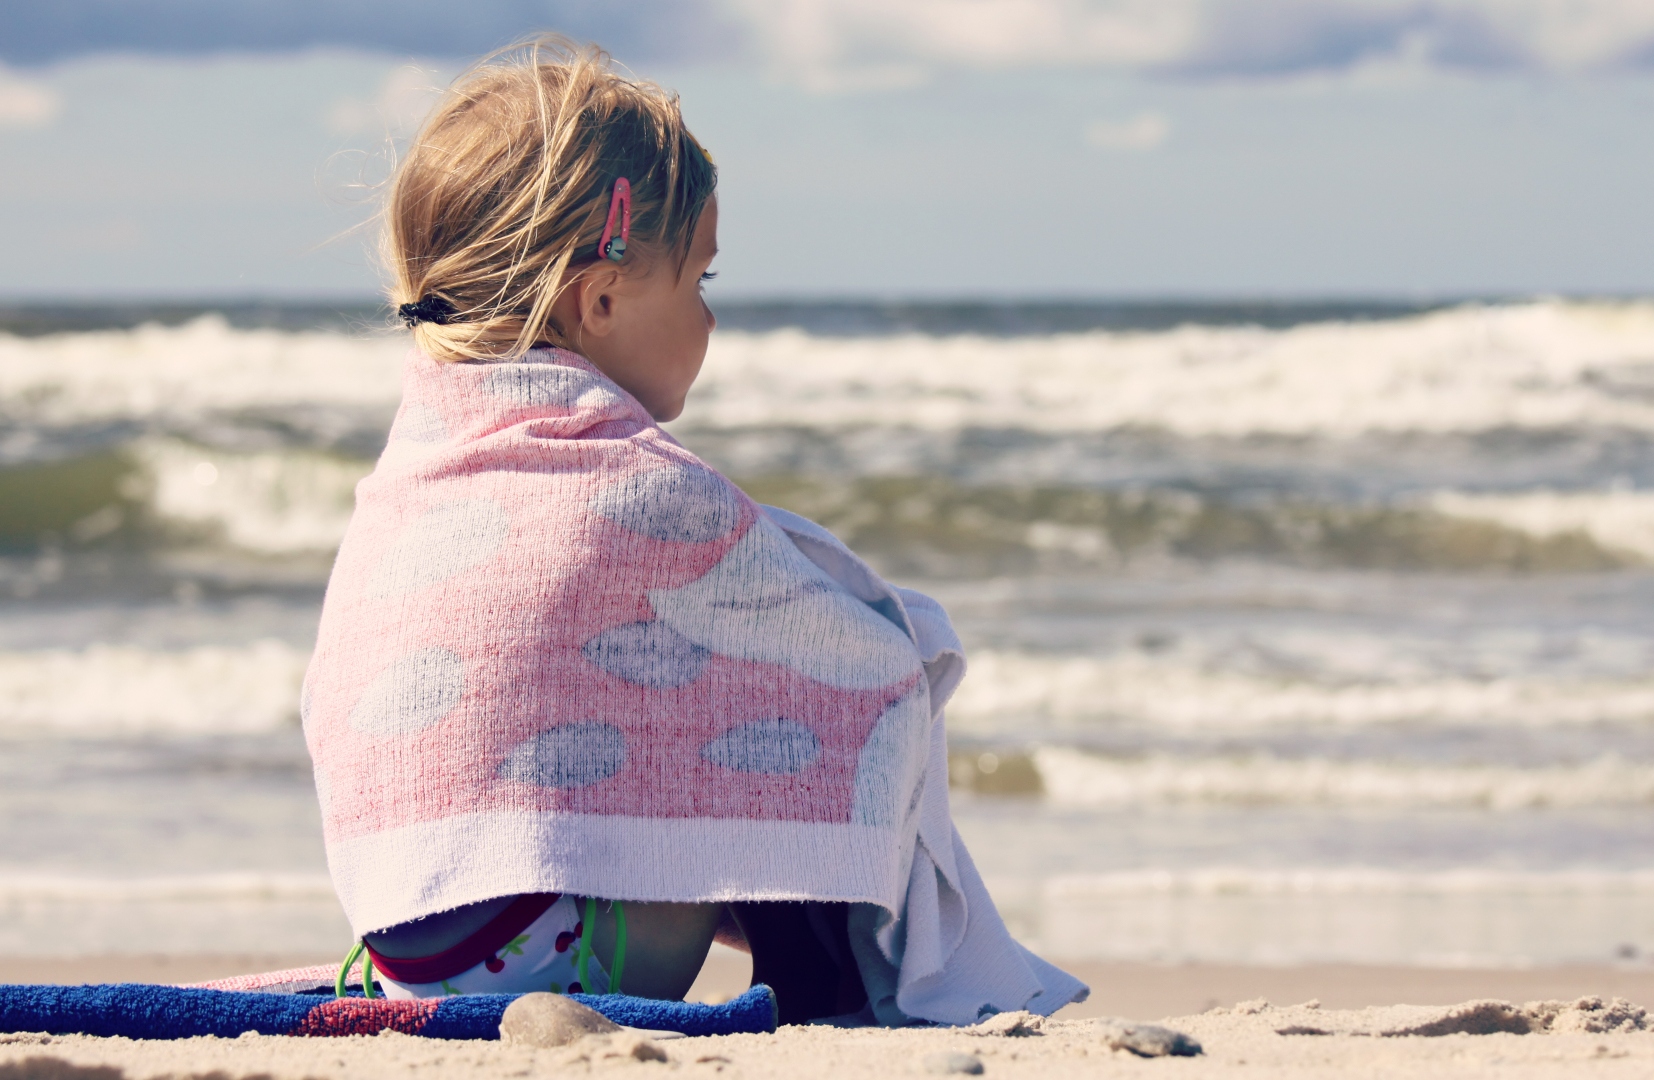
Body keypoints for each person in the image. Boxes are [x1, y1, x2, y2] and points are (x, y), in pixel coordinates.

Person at [300, 37, 1085, 1026]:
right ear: (602, 296)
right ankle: (826, 992)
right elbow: (874, 672)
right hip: (564, 961)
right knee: (823, 683)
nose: (711, 319)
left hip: (414, 948)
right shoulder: (639, 490)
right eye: (701, 280)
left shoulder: (412, 478)